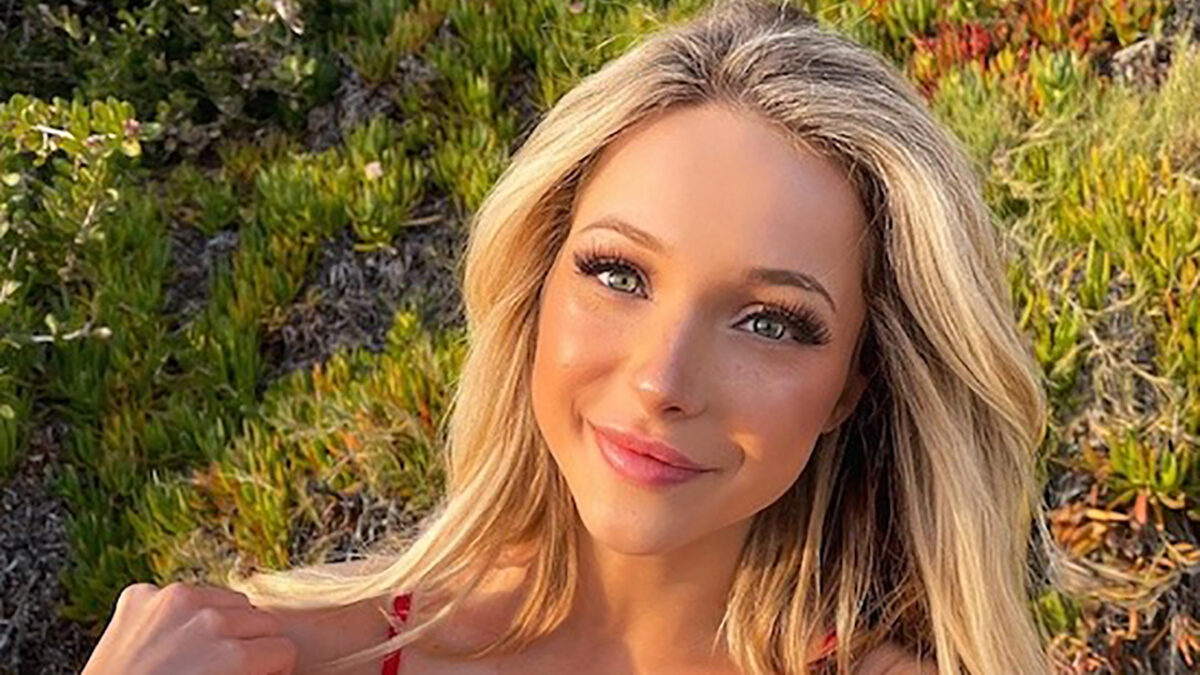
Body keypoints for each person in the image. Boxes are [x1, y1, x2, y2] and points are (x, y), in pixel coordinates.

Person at [81, 0, 1055, 673]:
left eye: (771, 321)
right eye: (618, 274)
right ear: (536, 282)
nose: (663, 379)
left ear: (851, 383)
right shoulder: (272, 656)